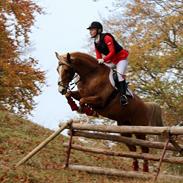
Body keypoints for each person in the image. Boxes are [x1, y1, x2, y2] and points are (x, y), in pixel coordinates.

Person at [87, 21, 129, 105]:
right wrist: (99, 62)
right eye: (90, 30)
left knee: (119, 75)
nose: (90, 31)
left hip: (121, 58)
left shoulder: (106, 37)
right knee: (100, 70)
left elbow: (112, 52)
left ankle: (124, 96)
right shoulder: (96, 42)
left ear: (98, 30)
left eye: (92, 29)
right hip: (112, 61)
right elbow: (98, 56)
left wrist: (104, 59)